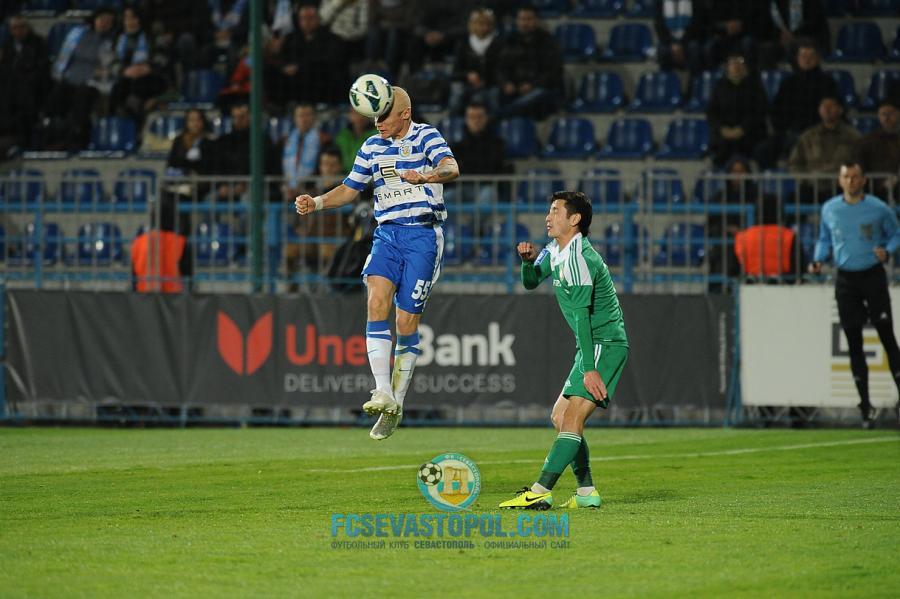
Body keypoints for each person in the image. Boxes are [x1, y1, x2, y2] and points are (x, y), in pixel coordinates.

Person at [294, 87, 459, 440]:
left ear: (405, 113)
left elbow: (451, 167)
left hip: (423, 235)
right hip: (386, 234)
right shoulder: (371, 146)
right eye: (374, 116)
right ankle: (382, 390)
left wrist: (427, 176)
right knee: (375, 300)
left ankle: (397, 401)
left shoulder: (426, 136)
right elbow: (349, 188)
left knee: (405, 321)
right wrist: (317, 202)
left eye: (384, 115)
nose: (377, 122)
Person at [499, 191, 628, 510]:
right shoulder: (554, 250)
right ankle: (586, 493)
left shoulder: (580, 258)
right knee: (560, 417)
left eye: (556, 211)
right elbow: (531, 281)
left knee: (571, 418)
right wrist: (527, 263)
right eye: (549, 210)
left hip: (604, 344)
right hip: (591, 346)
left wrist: (590, 368)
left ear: (575, 219)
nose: (548, 217)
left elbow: (582, 316)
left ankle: (540, 490)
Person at [809, 162, 900, 428]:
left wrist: (888, 250)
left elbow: (896, 233)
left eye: (855, 176)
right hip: (846, 279)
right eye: (846, 176)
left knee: (886, 336)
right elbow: (824, 238)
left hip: (872, 276)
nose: (851, 181)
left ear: (864, 180)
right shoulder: (830, 209)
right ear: (840, 181)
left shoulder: (878, 208)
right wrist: (818, 259)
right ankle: (866, 406)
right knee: (853, 341)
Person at [495, 4, 563, 120]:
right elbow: (501, 68)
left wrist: (532, 85)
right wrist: (506, 83)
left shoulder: (549, 42)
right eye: (521, 19)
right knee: (492, 94)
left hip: (542, 89)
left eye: (528, 19)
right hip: (515, 89)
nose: (524, 23)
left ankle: (499, 116)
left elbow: (554, 72)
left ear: (537, 21)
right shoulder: (509, 41)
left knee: (536, 96)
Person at [789, 95, 860, 202]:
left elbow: (860, 162)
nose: (827, 109)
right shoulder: (808, 136)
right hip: (812, 187)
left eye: (831, 106)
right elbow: (794, 163)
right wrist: (806, 179)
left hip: (841, 187)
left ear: (840, 110)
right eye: (824, 106)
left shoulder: (853, 136)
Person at [706, 53, 768, 167]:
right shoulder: (719, 86)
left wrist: (742, 129)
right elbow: (712, 112)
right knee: (719, 148)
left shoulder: (755, 86)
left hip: (750, 134)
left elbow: (759, 112)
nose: (736, 65)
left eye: (740, 62)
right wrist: (722, 129)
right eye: (732, 62)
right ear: (727, 66)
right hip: (724, 135)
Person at [0, 14, 49, 156]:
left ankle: (23, 140)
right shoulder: (8, 45)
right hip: (10, 86)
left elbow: (42, 68)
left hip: (32, 84)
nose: (18, 31)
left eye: (22, 27)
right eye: (15, 28)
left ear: (27, 28)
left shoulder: (38, 43)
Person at [855, 99, 900, 199]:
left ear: (898, 114)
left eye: (891, 113)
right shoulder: (867, 141)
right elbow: (860, 166)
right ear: (878, 116)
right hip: (874, 190)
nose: (887, 118)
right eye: (883, 114)